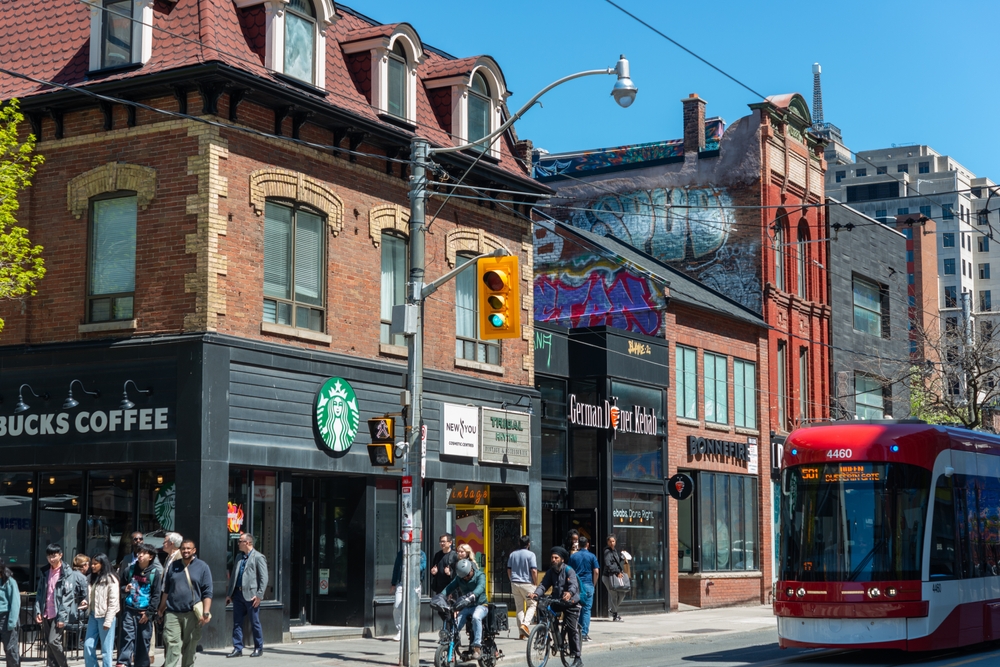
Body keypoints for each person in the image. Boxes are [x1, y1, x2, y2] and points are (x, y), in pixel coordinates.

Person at [157, 540, 212, 667]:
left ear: (194, 550)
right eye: (183, 548)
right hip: (172, 612)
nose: (186, 551)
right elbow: (167, 591)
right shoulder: (173, 565)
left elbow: (207, 592)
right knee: (172, 644)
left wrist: (206, 612)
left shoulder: (202, 567)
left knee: (190, 646)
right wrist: (161, 609)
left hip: (192, 613)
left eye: (188, 549)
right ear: (180, 550)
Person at [530, 547, 582, 667]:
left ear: (562, 560)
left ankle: (578, 657)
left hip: (571, 603)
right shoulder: (550, 572)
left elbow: (574, 585)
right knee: (543, 608)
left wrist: (569, 593)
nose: (553, 560)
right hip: (557, 601)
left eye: (556, 558)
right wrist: (536, 593)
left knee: (571, 628)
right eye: (552, 557)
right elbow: (543, 585)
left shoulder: (569, 570)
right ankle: (544, 634)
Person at [226, 534, 268, 658]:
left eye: (240, 541)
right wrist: (230, 594)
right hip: (238, 594)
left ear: (248, 542)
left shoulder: (259, 557)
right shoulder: (239, 557)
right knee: (237, 623)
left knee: (254, 622)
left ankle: (258, 648)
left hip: (251, 596)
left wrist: (259, 595)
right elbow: (234, 576)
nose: (238, 543)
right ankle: (237, 648)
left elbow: (264, 578)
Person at [119, 545, 161, 667]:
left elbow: (156, 595)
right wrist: (125, 588)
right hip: (129, 610)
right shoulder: (130, 570)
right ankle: (123, 663)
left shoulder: (154, 573)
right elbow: (121, 586)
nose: (140, 555)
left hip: (144, 613)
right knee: (127, 637)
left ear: (151, 556)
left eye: (144, 553)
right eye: (139, 553)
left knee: (143, 641)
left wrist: (149, 613)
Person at [34, 543, 75, 667]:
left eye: (54, 556)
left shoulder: (67, 572)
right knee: (49, 643)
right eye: (49, 556)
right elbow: (40, 592)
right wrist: (38, 611)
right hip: (46, 611)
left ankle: (63, 665)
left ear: (60, 555)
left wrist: (62, 617)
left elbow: (68, 597)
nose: (51, 559)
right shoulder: (45, 571)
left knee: (53, 641)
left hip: (58, 613)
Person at [442, 559, 488, 661]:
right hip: (466, 607)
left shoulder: (480, 575)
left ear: (471, 570)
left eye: (467, 575)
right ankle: (451, 644)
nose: (466, 578)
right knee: (456, 623)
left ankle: (477, 647)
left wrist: (472, 595)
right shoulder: (460, 578)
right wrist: (441, 596)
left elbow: (480, 587)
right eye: (464, 577)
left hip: (481, 605)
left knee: (476, 617)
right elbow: (449, 587)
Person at [84, 554, 120, 667]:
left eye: (95, 564)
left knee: (106, 650)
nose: (92, 566)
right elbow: (92, 595)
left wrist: (108, 621)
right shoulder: (91, 578)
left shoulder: (111, 579)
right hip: (93, 614)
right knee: (88, 645)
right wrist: (86, 602)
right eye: (92, 563)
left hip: (105, 616)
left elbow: (113, 602)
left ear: (102, 564)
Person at [390, 548, 426, 641]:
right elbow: (396, 567)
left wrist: (413, 567)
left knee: (414, 608)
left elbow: (423, 566)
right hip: (401, 583)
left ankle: (413, 631)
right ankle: (400, 631)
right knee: (397, 606)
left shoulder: (421, 553)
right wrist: (393, 583)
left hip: (415, 584)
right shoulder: (401, 553)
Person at [506, 535, 537, 639]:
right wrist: (535, 582)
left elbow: (509, 569)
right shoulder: (531, 555)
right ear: (528, 544)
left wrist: (511, 579)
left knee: (519, 607)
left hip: (514, 582)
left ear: (519, 543)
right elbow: (533, 570)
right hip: (527, 583)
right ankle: (525, 624)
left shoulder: (512, 554)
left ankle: (521, 633)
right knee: (532, 604)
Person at [568, 537, 599, 642]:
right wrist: (593, 584)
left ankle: (576, 631)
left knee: (576, 609)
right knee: (586, 610)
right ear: (587, 544)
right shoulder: (592, 556)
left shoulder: (573, 557)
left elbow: (569, 570)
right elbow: (596, 571)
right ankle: (584, 633)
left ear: (579, 545)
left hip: (576, 585)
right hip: (588, 584)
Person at [602, 534, 627, 622]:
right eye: (610, 541)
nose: (612, 543)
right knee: (614, 595)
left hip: (616, 576)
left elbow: (616, 562)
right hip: (608, 576)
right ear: (607, 542)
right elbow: (608, 564)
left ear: (615, 542)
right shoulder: (607, 551)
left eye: (613, 541)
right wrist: (617, 572)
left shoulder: (615, 551)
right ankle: (615, 615)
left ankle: (613, 610)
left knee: (622, 593)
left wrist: (622, 557)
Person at [0, 565, 20, 667]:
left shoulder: (9, 581)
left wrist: (12, 621)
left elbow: (15, 602)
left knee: (10, 649)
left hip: (6, 617)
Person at [70, 555, 91, 624]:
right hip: (78, 612)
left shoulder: (68, 574)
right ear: (84, 565)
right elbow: (85, 595)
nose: (89, 567)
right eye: (88, 564)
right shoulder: (82, 578)